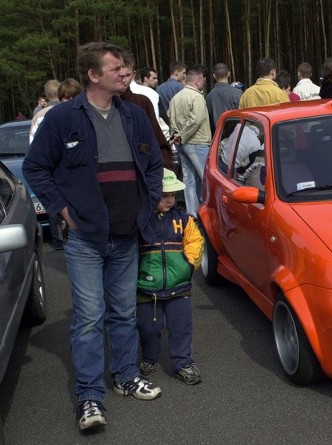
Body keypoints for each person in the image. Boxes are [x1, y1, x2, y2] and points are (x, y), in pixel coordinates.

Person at [22, 41, 164, 432]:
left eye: (126, 67)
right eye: (116, 68)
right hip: (85, 239)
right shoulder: (62, 118)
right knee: (88, 319)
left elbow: (153, 163)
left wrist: (147, 203)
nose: (125, 72)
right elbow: (36, 168)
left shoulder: (134, 116)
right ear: (93, 75)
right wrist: (62, 210)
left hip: (126, 234)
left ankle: (124, 376)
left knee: (123, 312)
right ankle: (89, 396)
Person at [136, 168, 204, 385]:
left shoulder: (183, 219)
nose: (169, 200)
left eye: (173, 195)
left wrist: (188, 264)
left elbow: (196, 241)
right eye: (164, 195)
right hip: (147, 290)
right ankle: (149, 357)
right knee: (148, 328)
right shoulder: (141, 220)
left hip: (179, 286)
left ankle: (183, 363)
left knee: (181, 327)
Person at [169, 65, 211, 217]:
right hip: (197, 142)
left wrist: (176, 135)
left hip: (182, 144)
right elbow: (197, 120)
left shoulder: (176, 98)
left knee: (189, 178)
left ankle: (192, 213)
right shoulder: (197, 97)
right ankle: (208, 210)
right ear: (198, 81)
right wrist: (183, 135)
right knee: (205, 178)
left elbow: (171, 118)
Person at [120, 53, 174, 171]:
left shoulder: (143, 102)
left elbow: (157, 137)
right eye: (119, 75)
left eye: (127, 75)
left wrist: (165, 171)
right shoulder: (99, 105)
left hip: (145, 172)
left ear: (133, 75)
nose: (123, 79)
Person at [29, 79, 62, 249]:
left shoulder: (39, 116)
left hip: (49, 165)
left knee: (54, 200)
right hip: (67, 163)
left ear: (47, 94)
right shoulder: (70, 109)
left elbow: (33, 144)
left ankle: (57, 239)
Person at [205, 62, 243, 134]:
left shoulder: (209, 96)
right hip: (235, 136)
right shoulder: (237, 93)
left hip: (217, 137)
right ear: (229, 73)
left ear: (214, 75)